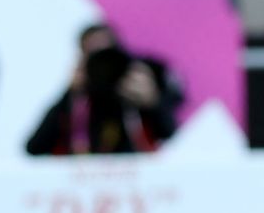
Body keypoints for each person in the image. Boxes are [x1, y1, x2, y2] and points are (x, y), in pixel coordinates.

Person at [25, 24, 182, 155]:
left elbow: (168, 133)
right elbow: (34, 148)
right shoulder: (78, 99)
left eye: (107, 52)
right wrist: (69, 94)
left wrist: (151, 101)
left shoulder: (136, 91)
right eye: (94, 54)